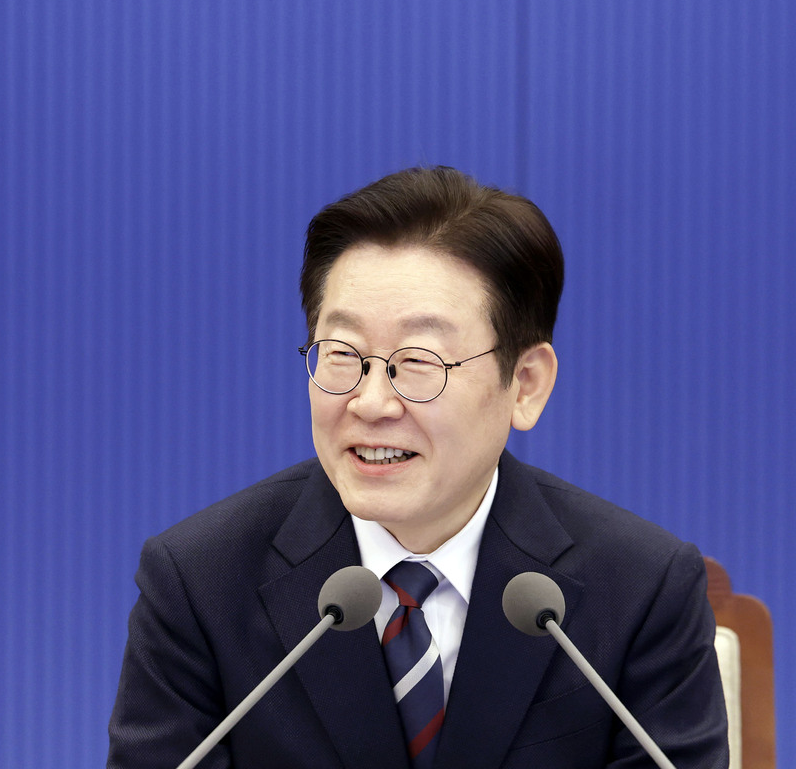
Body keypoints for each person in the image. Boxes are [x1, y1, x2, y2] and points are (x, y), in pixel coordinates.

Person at [108, 167, 728, 768]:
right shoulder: (200, 584)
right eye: (342, 353)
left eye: (419, 361)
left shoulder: (640, 590)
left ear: (526, 385)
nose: (371, 402)